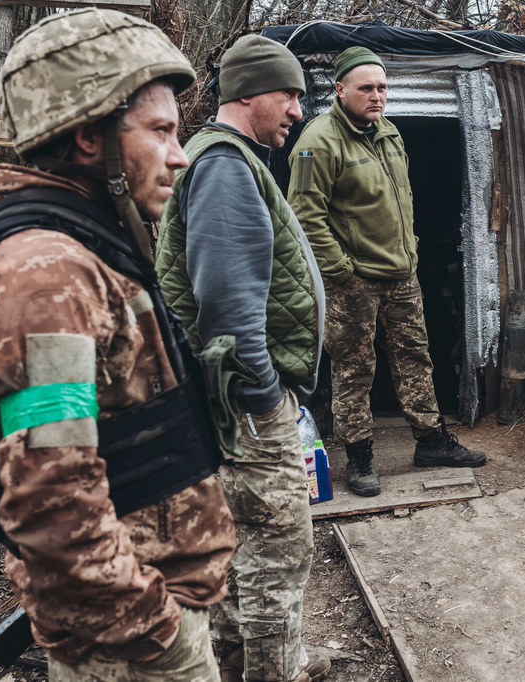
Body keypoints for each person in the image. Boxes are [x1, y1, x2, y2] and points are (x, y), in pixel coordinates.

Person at [0, 9, 236, 680]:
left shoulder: (84, 250)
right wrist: (158, 632)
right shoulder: (44, 277)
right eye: (160, 132)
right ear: (86, 138)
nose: (180, 153)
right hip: (128, 645)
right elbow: (53, 500)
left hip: (144, 617)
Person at [155, 35, 329, 682]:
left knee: (241, 545)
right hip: (247, 402)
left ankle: (235, 659)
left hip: (235, 399)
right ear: (249, 94)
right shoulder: (227, 167)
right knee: (280, 547)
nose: (296, 111)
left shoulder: (224, 158)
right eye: (289, 96)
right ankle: (274, 671)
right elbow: (228, 310)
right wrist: (261, 402)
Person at [287, 46, 485, 498]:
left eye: (382, 87)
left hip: (401, 274)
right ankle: (358, 456)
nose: (377, 96)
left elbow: (402, 200)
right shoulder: (319, 141)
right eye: (366, 88)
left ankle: (431, 441)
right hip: (352, 280)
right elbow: (304, 217)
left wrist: (411, 252)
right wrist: (339, 270)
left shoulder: (389, 132)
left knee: (416, 356)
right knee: (355, 368)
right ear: (339, 90)